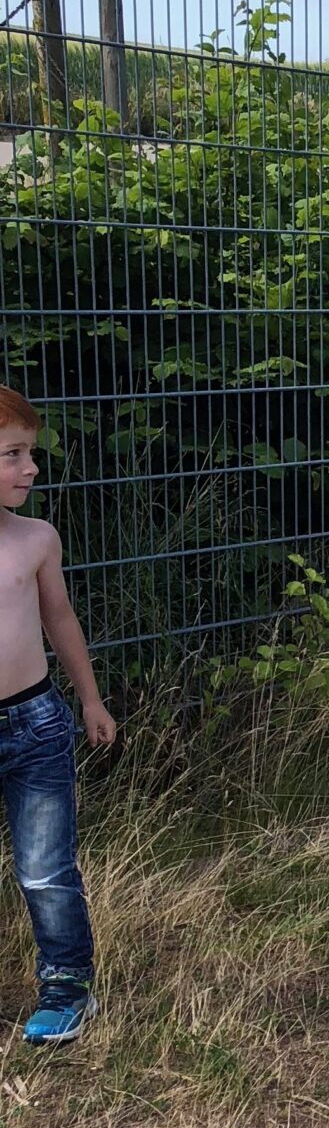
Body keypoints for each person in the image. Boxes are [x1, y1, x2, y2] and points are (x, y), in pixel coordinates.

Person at [0, 387, 115, 1043]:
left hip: (36, 725)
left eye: (30, 453)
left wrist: (91, 699)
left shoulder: (36, 539)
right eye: (12, 454)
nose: (31, 467)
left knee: (45, 868)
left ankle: (68, 987)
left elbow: (60, 618)